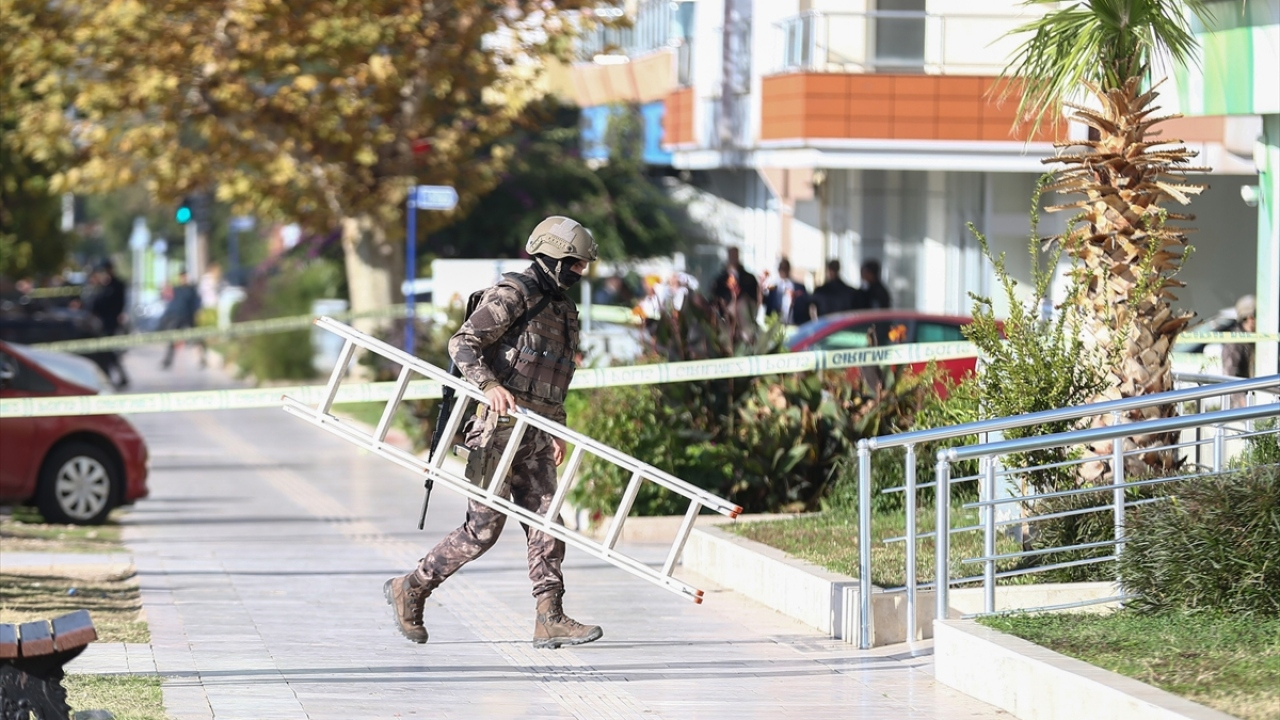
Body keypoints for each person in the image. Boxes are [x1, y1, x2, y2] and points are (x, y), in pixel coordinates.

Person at [384, 216, 603, 649]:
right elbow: (462, 343)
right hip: (497, 431)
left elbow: (554, 378)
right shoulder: (514, 294)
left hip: (536, 435)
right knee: (483, 529)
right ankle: (411, 587)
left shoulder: (563, 309)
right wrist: (489, 384)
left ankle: (550, 617)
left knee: (547, 520)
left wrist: (556, 429)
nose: (581, 272)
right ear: (553, 255)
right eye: (575, 263)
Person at [83, 260, 130, 389]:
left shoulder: (115, 285)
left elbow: (111, 304)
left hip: (110, 322)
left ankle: (113, 377)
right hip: (100, 322)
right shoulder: (101, 286)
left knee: (108, 351)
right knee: (106, 352)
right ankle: (114, 377)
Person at [710, 247, 760, 342]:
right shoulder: (720, 280)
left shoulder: (749, 278)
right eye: (731, 255)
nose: (733, 257)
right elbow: (715, 298)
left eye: (735, 255)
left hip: (746, 315)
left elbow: (755, 297)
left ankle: (748, 335)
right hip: (728, 316)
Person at [160, 270, 203, 369]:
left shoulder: (191, 289)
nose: (183, 279)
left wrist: (197, 312)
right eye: (182, 277)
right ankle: (167, 360)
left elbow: (197, 302)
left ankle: (202, 358)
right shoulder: (176, 289)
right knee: (172, 339)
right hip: (177, 316)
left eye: (185, 277)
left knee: (197, 338)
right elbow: (167, 298)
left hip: (189, 316)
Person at [763, 258, 808, 326]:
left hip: (795, 325)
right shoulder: (773, 288)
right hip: (777, 326)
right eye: (781, 268)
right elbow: (769, 308)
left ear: (789, 269)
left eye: (785, 268)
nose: (783, 271)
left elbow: (804, 309)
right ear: (778, 270)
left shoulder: (799, 287)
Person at [1222, 294, 1256, 380]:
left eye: (1255, 317)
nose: (1251, 321)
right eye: (1245, 318)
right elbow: (1230, 378)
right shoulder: (1235, 343)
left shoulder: (1258, 340)